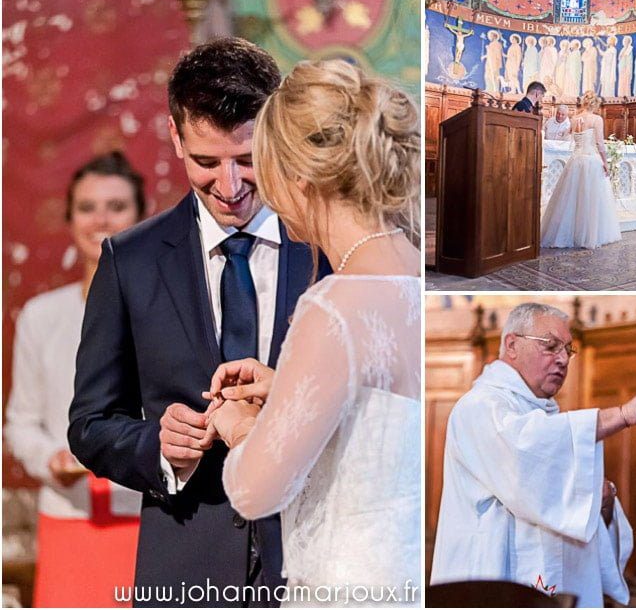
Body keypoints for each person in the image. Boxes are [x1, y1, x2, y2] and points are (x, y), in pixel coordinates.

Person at [68, 37, 330, 607]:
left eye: (247, 160)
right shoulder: (129, 260)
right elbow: (90, 423)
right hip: (183, 569)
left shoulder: (329, 247)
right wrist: (159, 447)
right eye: (206, 162)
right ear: (174, 137)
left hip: (317, 560)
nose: (230, 187)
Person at [204, 59, 421, 606]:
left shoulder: (333, 305)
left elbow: (256, 491)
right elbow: (384, 421)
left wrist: (237, 425)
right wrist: (290, 390)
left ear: (301, 175)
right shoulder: (416, 269)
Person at [431, 303, 636, 608]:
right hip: (493, 586)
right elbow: (527, 449)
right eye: (550, 346)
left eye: (567, 350)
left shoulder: (542, 415)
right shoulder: (480, 407)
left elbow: (557, 494)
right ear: (512, 344)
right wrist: (624, 414)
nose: (562, 359)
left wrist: (601, 502)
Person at [6, 152, 145, 607]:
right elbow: (20, 423)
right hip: (69, 524)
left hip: (150, 520)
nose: (101, 218)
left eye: (117, 206)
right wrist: (53, 460)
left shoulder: (166, 313)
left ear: (142, 217)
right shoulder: (41, 317)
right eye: (87, 207)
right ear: (69, 219)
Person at [541, 91, 621, 248]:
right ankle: (588, 235)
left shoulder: (574, 118)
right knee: (590, 200)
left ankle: (569, 233)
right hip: (591, 161)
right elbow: (599, 144)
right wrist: (605, 162)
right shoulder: (596, 119)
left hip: (575, 161)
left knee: (572, 199)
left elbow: (566, 133)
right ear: (595, 104)